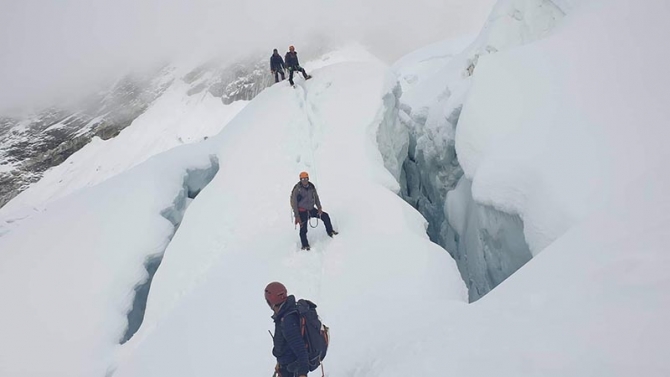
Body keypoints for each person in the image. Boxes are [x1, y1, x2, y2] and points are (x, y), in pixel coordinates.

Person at [266, 282, 309, 377]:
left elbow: (300, 349)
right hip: (286, 366)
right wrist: (280, 362)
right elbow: (284, 343)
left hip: (292, 369)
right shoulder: (285, 312)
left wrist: (303, 373)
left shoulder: (287, 321)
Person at [290, 172, 337, 250]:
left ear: (308, 178)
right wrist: (297, 216)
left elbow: (316, 197)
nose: (304, 180)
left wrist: (319, 208)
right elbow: (294, 204)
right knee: (303, 229)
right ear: (300, 179)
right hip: (302, 212)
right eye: (302, 179)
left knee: (325, 216)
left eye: (306, 179)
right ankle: (305, 245)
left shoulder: (311, 187)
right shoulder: (297, 190)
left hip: (311, 210)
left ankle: (330, 231)